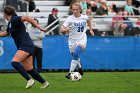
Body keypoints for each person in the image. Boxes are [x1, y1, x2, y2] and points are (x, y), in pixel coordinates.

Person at [0, 6, 49, 89]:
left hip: (26, 45)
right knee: (29, 69)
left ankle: (29, 80)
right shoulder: (10, 23)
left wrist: (38, 26)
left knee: (14, 62)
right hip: (26, 45)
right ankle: (44, 83)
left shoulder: (14, 19)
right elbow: (7, 33)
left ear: (5, 13)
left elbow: (26, 17)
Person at [61, 2, 94, 79]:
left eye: (76, 9)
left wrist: (91, 29)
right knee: (75, 56)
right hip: (72, 41)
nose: (75, 11)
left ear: (80, 9)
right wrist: (66, 29)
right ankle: (80, 68)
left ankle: (70, 73)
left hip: (82, 39)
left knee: (76, 54)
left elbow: (88, 20)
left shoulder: (84, 17)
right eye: (73, 10)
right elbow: (62, 29)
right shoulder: (69, 18)